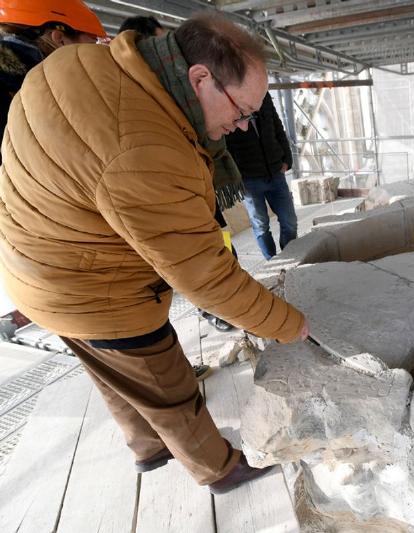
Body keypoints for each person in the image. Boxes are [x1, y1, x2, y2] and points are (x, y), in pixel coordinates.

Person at [0, 13, 308, 493]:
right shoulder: (144, 149)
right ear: (199, 77)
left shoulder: (79, 61)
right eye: (243, 110)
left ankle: (147, 448)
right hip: (93, 289)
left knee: (111, 371)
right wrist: (291, 326)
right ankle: (219, 470)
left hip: (37, 270)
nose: (244, 127)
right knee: (164, 382)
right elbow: (207, 278)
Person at [118, 13, 228, 377]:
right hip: (114, 294)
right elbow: (194, 263)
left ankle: (221, 307)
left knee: (217, 252)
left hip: (200, 204)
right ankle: (217, 310)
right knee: (167, 394)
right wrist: (283, 323)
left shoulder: (175, 112)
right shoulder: (147, 136)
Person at [0, 0, 106, 155]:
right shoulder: (33, 90)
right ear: (59, 38)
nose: (94, 52)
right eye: (92, 42)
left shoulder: (21, 82)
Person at [226, 93, 298, 260]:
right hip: (249, 180)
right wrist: (238, 175)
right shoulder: (229, 100)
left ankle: (289, 258)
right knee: (260, 225)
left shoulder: (263, 95)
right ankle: (272, 262)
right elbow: (225, 144)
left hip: (275, 172)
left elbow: (277, 127)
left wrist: (287, 159)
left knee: (290, 221)